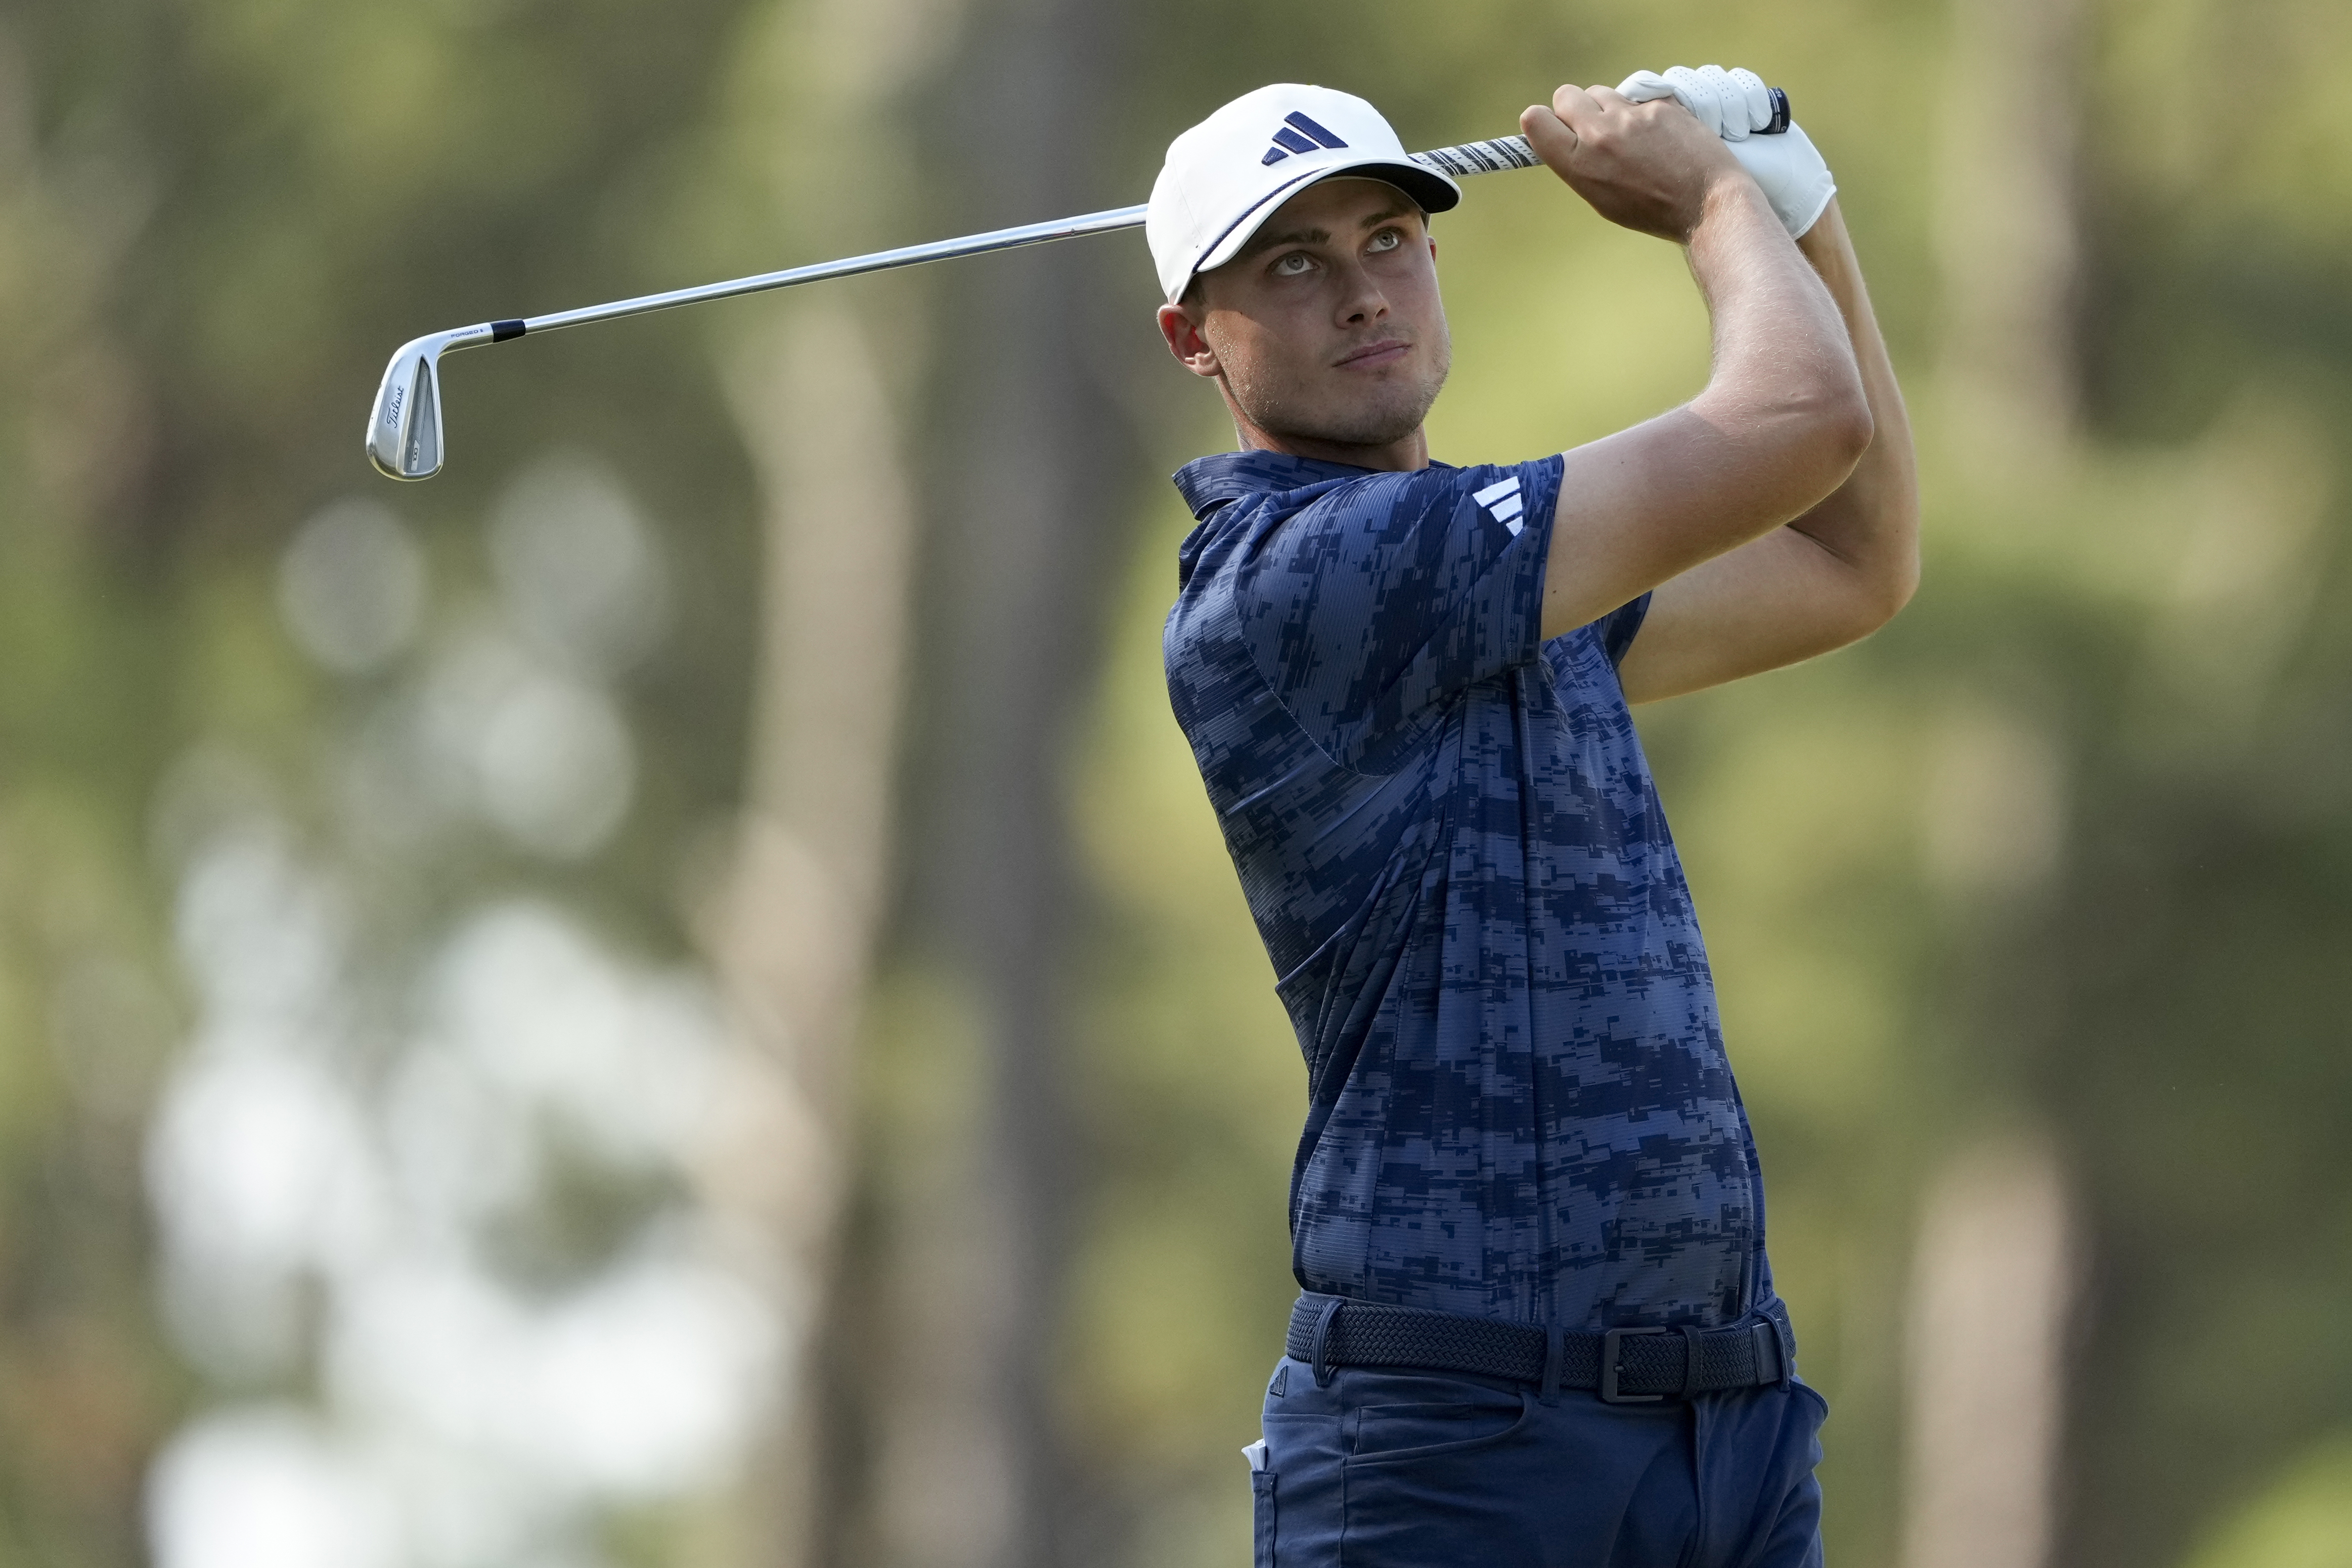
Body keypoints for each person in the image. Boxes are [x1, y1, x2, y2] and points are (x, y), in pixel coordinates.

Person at [1146, 66, 1917, 1568]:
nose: (1361, 293)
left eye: (1387, 239)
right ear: (1194, 338)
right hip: (1459, 1453)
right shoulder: (1296, 583)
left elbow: (1854, 558)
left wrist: (1800, 209)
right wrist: (1711, 205)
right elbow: (1798, 416)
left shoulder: (1503, 582)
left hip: (1723, 1433)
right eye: (1292, 265)